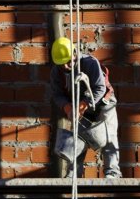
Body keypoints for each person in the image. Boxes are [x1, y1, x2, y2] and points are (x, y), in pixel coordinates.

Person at [50, 37, 121, 179]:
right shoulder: (56, 72)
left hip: (103, 103)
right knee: (77, 139)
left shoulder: (90, 63)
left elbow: (100, 88)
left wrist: (83, 105)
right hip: (79, 107)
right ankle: (73, 174)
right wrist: (68, 107)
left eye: (68, 62)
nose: (65, 66)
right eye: (61, 63)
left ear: (75, 53)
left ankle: (112, 172)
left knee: (109, 135)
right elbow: (56, 94)